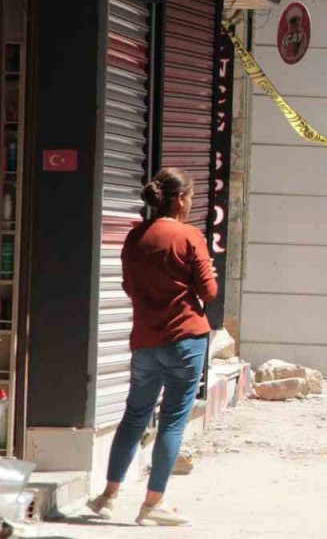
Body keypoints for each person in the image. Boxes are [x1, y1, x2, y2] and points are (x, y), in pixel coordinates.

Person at [87, 169, 218, 526]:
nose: (190, 204)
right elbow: (208, 292)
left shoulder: (135, 237)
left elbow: (129, 287)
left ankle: (108, 496)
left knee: (134, 416)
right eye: (191, 198)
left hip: (145, 340)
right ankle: (152, 505)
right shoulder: (189, 236)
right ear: (180, 199)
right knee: (172, 422)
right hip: (186, 340)